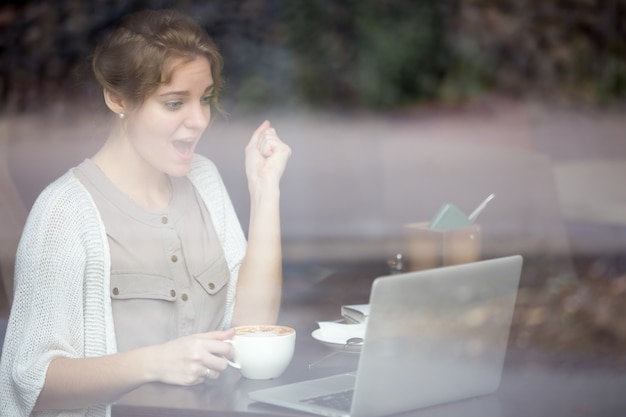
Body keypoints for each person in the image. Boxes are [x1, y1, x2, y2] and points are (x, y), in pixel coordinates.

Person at [0, 9, 291, 417]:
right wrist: (155, 361)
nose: (198, 121)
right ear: (117, 98)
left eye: (205, 99)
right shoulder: (64, 211)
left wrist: (265, 189)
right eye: (174, 103)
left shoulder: (204, 180)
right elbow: (32, 382)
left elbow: (253, 330)